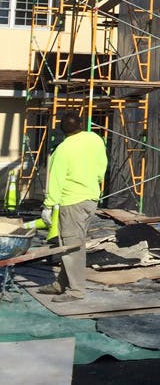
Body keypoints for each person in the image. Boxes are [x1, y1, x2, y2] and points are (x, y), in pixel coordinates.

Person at [37, 112, 108, 301]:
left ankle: (76, 291)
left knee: (71, 247)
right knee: (71, 243)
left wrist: (49, 205)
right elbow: (102, 167)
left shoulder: (63, 149)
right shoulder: (95, 139)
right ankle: (62, 283)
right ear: (82, 124)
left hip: (72, 202)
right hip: (90, 199)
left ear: (61, 129)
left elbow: (56, 181)